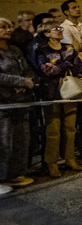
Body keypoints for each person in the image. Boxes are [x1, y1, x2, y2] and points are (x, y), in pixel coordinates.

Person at [34, 19, 82, 177]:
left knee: (70, 128)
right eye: (55, 28)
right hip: (52, 93)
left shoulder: (69, 48)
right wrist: (66, 64)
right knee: (53, 130)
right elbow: (47, 71)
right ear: (47, 33)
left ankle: (69, 158)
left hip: (70, 92)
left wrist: (60, 65)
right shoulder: (41, 51)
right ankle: (52, 162)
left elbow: (79, 66)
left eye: (60, 27)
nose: (60, 30)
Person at [0, 17, 35, 188]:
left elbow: (27, 70)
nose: (8, 30)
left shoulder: (14, 50)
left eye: (9, 26)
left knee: (21, 140)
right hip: (3, 104)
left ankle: (16, 174)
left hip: (21, 101)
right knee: (4, 141)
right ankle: (2, 177)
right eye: (3, 27)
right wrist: (20, 81)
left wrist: (28, 80)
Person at [60, 0, 82, 65]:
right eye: (74, 8)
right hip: (74, 62)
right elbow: (73, 48)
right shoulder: (63, 27)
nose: (78, 9)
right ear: (66, 12)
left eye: (78, 7)